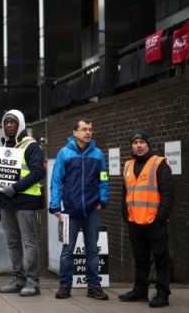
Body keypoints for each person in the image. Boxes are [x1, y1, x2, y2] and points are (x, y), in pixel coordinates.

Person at [50, 118, 109, 300]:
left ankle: (94, 287)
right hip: (70, 211)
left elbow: (103, 179)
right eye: (84, 129)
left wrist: (103, 200)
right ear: (75, 132)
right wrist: (55, 206)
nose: (88, 132)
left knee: (92, 250)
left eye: (90, 129)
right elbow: (56, 181)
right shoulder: (64, 153)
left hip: (92, 210)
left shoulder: (98, 154)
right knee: (68, 250)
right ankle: (65, 286)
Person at [119, 131, 173, 308]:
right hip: (135, 222)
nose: (138, 145)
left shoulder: (159, 164)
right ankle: (140, 291)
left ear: (148, 144)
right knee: (140, 258)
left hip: (154, 222)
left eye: (142, 142)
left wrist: (160, 218)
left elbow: (167, 194)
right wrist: (125, 215)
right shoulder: (128, 165)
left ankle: (163, 294)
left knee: (160, 258)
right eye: (135, 142)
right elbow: (125, 192)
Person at [0, 110, 46, 297]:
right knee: (13, 242)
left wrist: (15, 188)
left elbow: (38, 173)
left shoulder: (31, 146)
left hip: (26, 202)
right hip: (7, 203)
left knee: (29, 242)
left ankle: (32, 282)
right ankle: (18, 279)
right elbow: (0, 179)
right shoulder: (6, 145)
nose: (9, 125)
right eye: (6, 122)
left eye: (13, 122)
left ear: (21, 125)